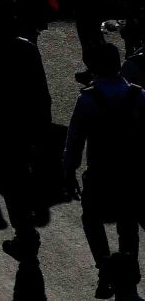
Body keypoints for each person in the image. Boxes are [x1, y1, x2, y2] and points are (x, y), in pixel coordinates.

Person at [0, 0, 52, 263]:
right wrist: (45, 125)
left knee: (10, 182)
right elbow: (42, 90)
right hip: (29, 122)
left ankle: (24, 232)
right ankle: (27, 226)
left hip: (1, 127)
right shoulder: (27, 49)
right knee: (26, 175)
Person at [64, 43, 144, 299]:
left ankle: (104, 267)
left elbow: (74, 141)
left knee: (92, 220)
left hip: (99, 175)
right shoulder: (139, 96)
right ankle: (130, 268)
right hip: (131, 175)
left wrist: (68, 171)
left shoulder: (87, 99)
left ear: (93, 68)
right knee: (128, 224)